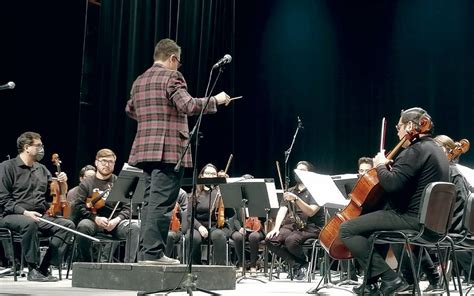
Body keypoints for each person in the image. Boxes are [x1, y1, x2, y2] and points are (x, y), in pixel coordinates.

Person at [125, 38, 230, 265]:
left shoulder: (139, 80)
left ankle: (147, 253)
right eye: (178, 62)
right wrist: (216, 100)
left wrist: (152, 122)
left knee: (151, 202)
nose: (178, 66)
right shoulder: (172, 77)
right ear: (173, 58)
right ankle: (153, 254)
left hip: (145, 148)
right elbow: (188, 106)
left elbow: (130, 109)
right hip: (168, 149)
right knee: (162, 204)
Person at [339, 107, 449, 295]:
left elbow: (393, 185)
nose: (397, 132)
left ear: (410, 126)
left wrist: (380, 165)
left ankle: (391, 279)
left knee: (347, 229)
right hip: (434, 224)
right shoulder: (436, 150)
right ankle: (370, 284)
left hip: (412, 219)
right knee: (373, 229)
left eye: (399, 127)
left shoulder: (415, 150)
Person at [0, 131, 75, 281]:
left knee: (67, 225)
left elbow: (58, 191)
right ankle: (32, 269)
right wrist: (25, 212)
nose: (42, 149)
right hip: (11, 215)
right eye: (39, 145)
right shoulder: (7, 167)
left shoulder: (41, 169)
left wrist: (63, 181)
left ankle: (44, 267)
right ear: (27, 147)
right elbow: (3, 199)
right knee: (30, 223)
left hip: (39, 216)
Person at [71, 148, 140, 263]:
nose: (107, 165)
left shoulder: (120, 182)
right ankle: (86, 265)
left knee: (134, 228)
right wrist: (95, 218)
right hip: (93, 221)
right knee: (83, 226)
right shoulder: (87, 183)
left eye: (111, 162)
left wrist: (116, 220)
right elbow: (79, 206)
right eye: (104, 161)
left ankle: (128, 266)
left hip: (115, 223)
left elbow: (128, 207)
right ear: (96, 162)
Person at [266, 161, 324, 280]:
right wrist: (276, 228)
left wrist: (296, 199)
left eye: (303, 170)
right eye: (298, 170)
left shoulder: (317, 190)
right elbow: (282, 209)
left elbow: (311, 211)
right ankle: (299, 264)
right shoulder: (291, 190)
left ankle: (300, 265)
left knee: (291, 241)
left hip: (311, 226)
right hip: (293, 225)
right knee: (271, 239)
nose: (299, 173)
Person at [434, 134, 473, 281]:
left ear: (449, 152)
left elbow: (461, 206)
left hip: (456, 229)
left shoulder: (452, 173)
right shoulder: (445, 171)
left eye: (438, 150)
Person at [185, 163, 233, 265]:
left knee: (219, 236)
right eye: (207, 173)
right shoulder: (195, 193)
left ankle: (220, 270)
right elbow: (189, 216)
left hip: (215, 227)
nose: (210, 176)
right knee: (193, 237)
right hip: (197, 226)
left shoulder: (220, 192)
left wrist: (227, 190)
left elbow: (231, 213)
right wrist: (200, 227)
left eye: (213, 174)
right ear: (202, 175)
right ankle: (195, 267)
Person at [229, 174, 265, 274]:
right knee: (237, 237)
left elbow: (264, 216)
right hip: (239, 228)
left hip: (256, 229)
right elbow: (234, 217)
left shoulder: (260, 197)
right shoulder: (236, 198)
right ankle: (241, 264)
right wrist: (239, 228)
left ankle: (253, 265)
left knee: (254, 237)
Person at [164, 188, 188, 259]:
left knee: (169, 235)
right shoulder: (159, 192)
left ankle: (163, 260)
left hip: (175, 229)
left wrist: (178, 209)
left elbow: (186, 214)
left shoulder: (181, 193)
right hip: (160, 226)